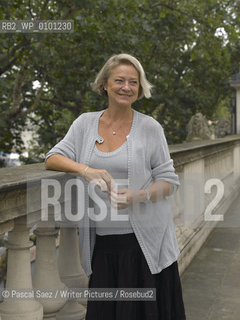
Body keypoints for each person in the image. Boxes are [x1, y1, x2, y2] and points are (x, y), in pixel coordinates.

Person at [45, 53, 186, 320]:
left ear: (139, 88)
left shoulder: (150, 128)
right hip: (104, 247)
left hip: (146, 247)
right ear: (105, 85)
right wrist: (86, 170)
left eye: (133, 82)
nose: (126, 87)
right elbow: (52, 158)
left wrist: (139, 195)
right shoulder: (85, 124)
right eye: (119, 80)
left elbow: (170, 182)